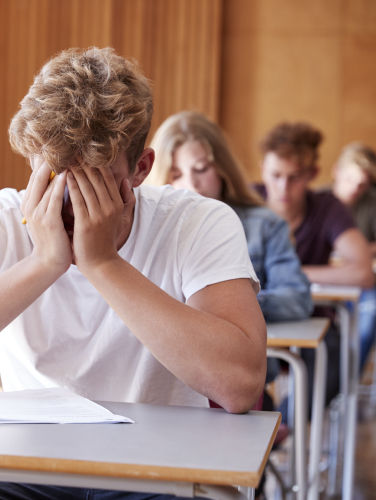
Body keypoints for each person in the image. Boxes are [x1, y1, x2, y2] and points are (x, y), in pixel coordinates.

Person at [0, 47, 266, 500]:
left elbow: (240, 385)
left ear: (141, 170)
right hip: (25, 469)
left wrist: (104, 264)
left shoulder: (200, 222)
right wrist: (42, 263)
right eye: (54, 179)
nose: (70, 207)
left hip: (159, 472)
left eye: (93, 186)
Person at [146, 111, 312, 323]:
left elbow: (297, 298)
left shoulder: (265, 225)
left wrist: (225, 305)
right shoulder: (144, 227)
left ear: (223, 169)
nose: (191, 185)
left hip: (237, 352)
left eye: (201, 169)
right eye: (176, 174)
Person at [256, 122, 375, 410]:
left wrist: (290, 275)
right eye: (276, 175)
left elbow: (363, 272)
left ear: (313, 174)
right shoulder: (247, 203)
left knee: (335, 360)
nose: (283, 187)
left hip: (308, 317)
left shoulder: (327, 208)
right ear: (262, 169)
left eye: (294, 177)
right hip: (253, 316)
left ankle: (280, 428)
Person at [331, 142, 376, 371]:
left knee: (371, 311)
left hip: (358, 282)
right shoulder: (319, 202)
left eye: (362, 184)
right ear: (336, 171)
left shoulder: (371, 203)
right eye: (350, 180)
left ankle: (344, 382)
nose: (354, 189)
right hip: (324, 281)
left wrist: (358, 251)